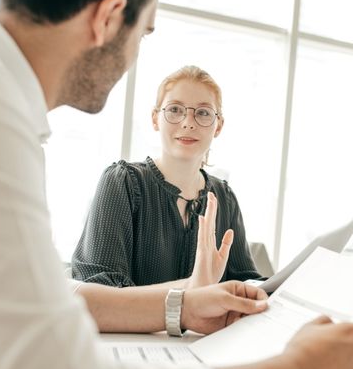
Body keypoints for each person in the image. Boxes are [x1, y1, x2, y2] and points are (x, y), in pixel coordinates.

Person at [0, 0, 353, 369]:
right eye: (146, 31)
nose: (136, 51)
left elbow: (56, 299)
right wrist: (296, 367)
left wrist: (184, 304)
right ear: (110, 17)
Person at [72, 65, 261, 290]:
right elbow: (101, 289)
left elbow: (245, 284)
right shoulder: (122, 183)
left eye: (202, 112)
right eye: (175, 110)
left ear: (218, 126)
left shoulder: (225, 198)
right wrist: (191, 288)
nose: (188, 122)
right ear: (155, 119)